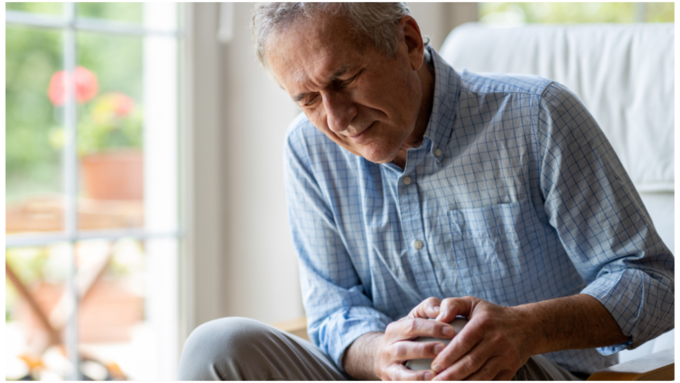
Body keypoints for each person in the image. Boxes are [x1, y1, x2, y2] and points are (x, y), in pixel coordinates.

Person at [178, 3, 674, 381]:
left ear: (409, 43)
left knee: (458, 344)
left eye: (345, 78)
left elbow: (654, 283)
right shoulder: (309, 150)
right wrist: (383, 353)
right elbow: (333, 310)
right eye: (308, 99)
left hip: (520, 369)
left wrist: (526, 329)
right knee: (218, 345)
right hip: (390, 375)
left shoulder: (536, 116)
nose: (336, 118)